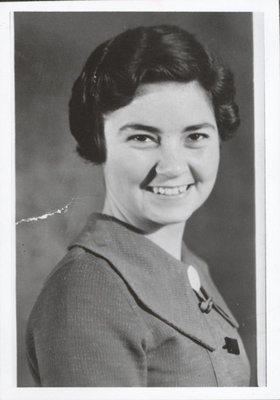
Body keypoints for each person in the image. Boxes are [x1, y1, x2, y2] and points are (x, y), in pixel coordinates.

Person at [26, 24, 251, 387]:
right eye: (143, 137)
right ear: (99, 140)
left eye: (195, 136)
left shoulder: (190, 267)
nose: (173, 167)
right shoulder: (87, 295)